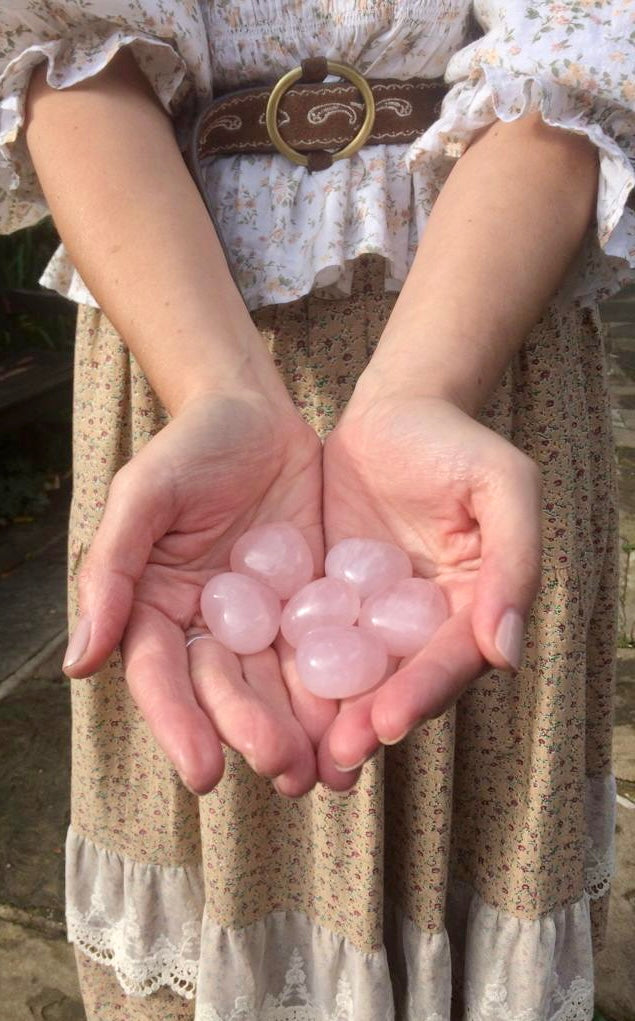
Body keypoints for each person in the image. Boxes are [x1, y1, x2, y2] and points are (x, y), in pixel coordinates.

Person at [1, 1, 634, 1017]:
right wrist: (217, 389)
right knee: (208, 757)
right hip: (182, 324)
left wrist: (418, 388)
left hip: (480, 315)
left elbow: (577, 57)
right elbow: (65, 51)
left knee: (479, 798)